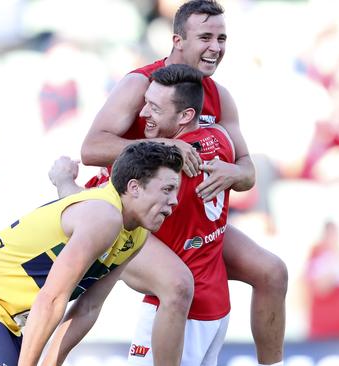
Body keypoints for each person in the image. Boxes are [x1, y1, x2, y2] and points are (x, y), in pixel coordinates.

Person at [80, 1, 287, 365]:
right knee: (175, 287)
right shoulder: (140, 83)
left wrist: (234, 173)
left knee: (272, 272)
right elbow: (91, 148)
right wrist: (165, 145)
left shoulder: (219, 95)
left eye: (222, 37)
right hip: (128, 219)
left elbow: (248, 171)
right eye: (205, 36)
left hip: (182, 218)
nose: (216, 46)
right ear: (177, 40)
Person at [0, 141, 183, 366]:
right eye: (167, 189)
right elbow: (51, 299)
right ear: (134, 187)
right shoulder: (104, 216)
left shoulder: (137, 235)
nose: (175, 200)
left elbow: (88, 308)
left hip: (5, 321)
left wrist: (52, 361)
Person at [48, 64, 235, 366]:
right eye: (145, 102)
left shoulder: (160, 166)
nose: (143, 113)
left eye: (154, 108)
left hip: (174, 312)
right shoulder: (221, 138)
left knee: (89, 298)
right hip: (215, 306)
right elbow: (244, 173)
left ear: (185, 115)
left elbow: (92, 211)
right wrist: (239, 172)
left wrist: (64, 182)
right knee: (90, 301)